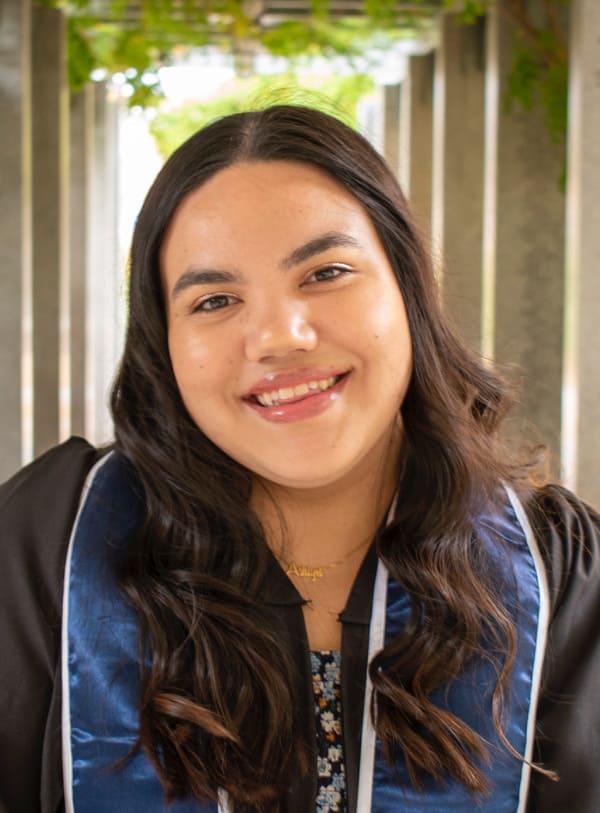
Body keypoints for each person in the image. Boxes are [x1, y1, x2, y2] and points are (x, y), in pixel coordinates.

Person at [0, 105, 598, 813]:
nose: (279, 337)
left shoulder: (553, 569)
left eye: (326, 272)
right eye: (215, 299)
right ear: (163, 344)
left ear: (409, 287)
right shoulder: (52, 545)